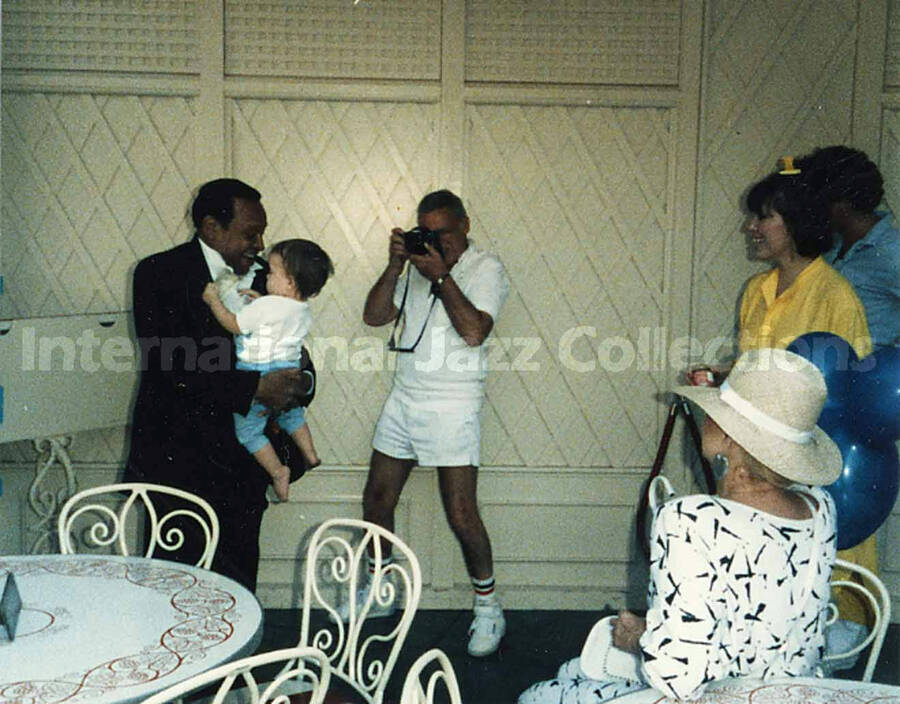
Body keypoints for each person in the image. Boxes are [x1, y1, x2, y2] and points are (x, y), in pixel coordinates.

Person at [519, 348, 841, 704]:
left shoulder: (689, 519)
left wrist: (641, 637)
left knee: (537, 697)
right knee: (572, 671)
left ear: (730, 437)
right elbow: (758, 626)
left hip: (718, 695)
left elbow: (678, 680)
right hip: (795, 693)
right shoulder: (820, 505)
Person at [126, 178, 314, 591]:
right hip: (177, 461)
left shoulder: (271, 277)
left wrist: (298, 385)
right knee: (169, 586)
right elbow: (168, 363)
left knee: (238, 583)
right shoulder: (158, 273)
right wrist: (254, 391)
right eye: (251, 232)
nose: (261, 244)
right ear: (212, 228)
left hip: (242, 463)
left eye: (263, 231)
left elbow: (297, 354)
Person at [355, 189, 510, 657]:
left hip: (453, 402)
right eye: (427, 231)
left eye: (442, 231)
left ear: (464, 224)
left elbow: (474, 330)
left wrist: (441, 277)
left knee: (461, 513)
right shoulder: (417, 267)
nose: (435, 240)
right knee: (376, 500)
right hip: (406, 397)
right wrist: (396, 266)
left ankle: (489, 608)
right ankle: (381, 594)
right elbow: (375, 315)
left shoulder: (486, 268)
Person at [203, 238, 333, 502]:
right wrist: (261, 301)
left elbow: (235, 324)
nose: (260, 243)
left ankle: (277, 471)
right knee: (293, 416)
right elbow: (275, 320)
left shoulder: (266, 304)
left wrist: (214, 301)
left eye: (273, 273)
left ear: (290, 282)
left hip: (257, 371)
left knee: (248, 431)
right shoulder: (301, 309)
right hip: (286, 369)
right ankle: (310, 453)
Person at [798, 145, 900, 350]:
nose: (813, 212)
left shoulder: (891, 251)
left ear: (842, 205)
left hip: (874, 374)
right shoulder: (831, 248)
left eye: (817, 203)